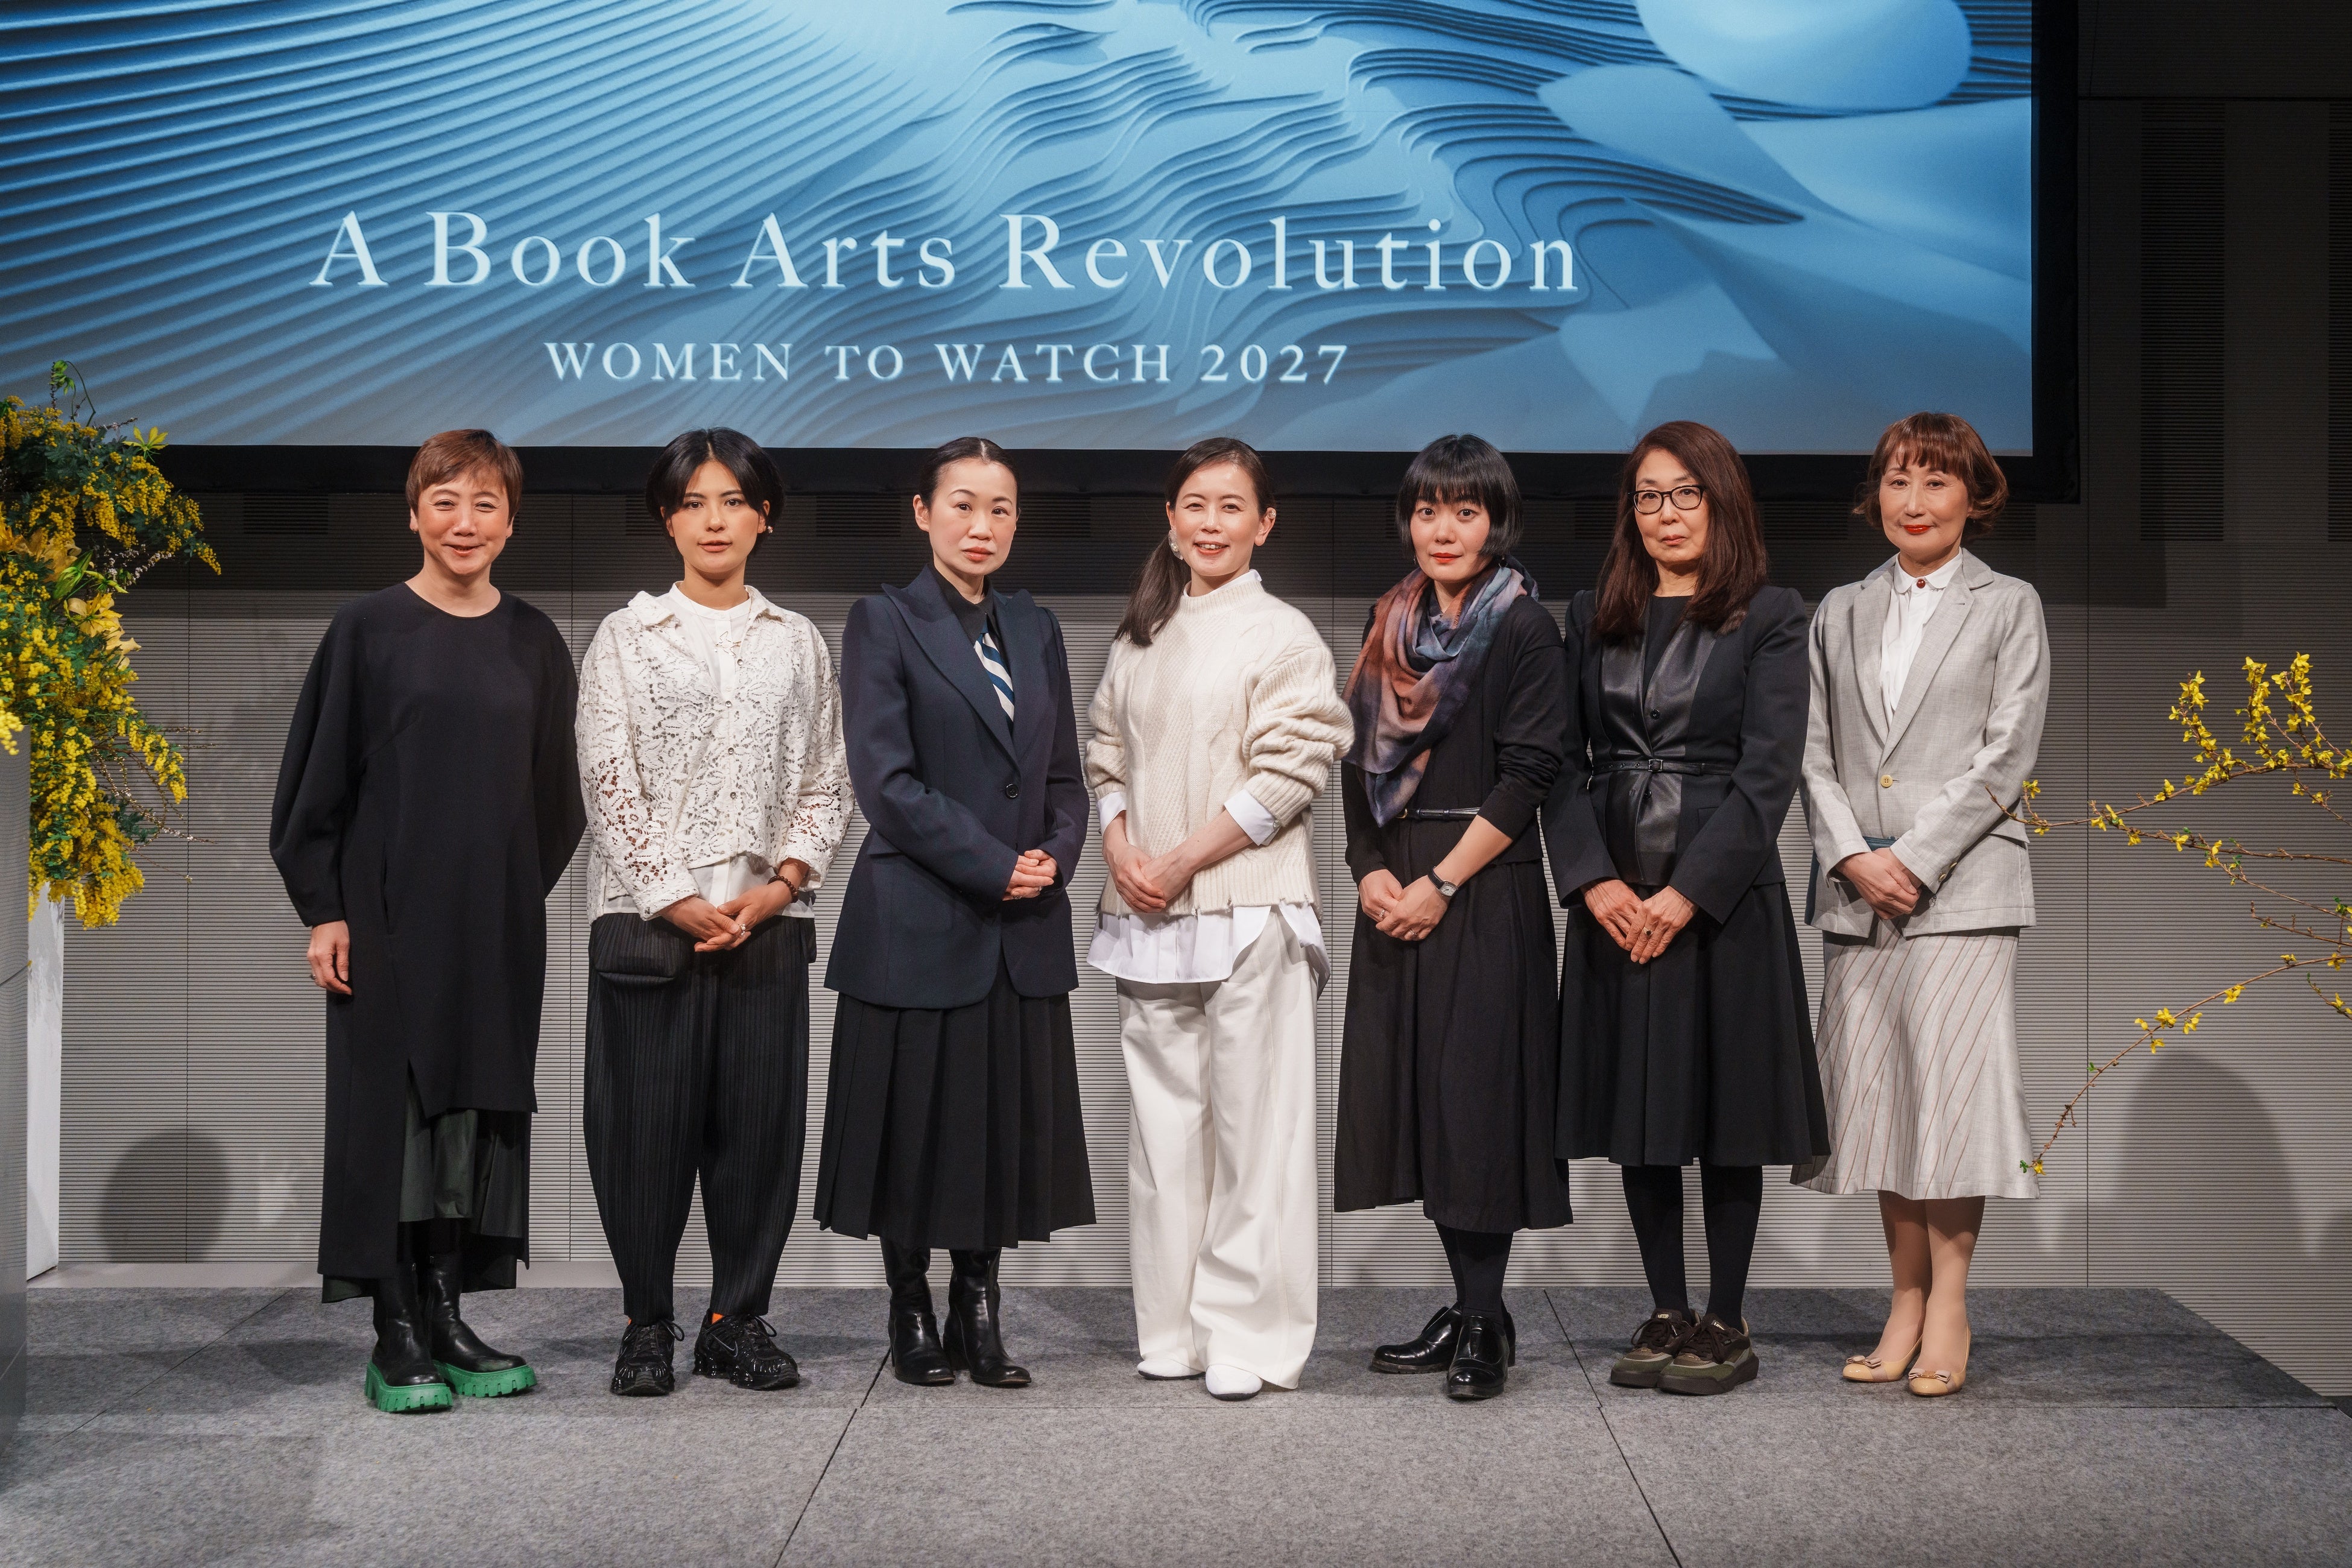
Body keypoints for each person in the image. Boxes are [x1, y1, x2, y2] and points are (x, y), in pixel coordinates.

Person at [271, 429, 584, 1414]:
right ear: (414, 515)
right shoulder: (367, 629)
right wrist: (325, 909)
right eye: (445, 501)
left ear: (511, 522)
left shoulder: (535, 640)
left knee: (472, 1120)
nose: (465, 522)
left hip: (493, 927)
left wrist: (505, 891)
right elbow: (314, 783)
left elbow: (559, 800)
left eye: (485, 504)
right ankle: (395, 1327)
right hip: (385, 920)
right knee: (395, 1123)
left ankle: (449, 1313)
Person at [1543, 420, 1828, 1397]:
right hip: (1614, 895)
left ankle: (1729, 1318)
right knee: (1640, 1106)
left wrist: (1686, 894)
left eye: (1684, 494)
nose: (1665, 514)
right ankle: (1666, 1307)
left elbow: (1768, 774)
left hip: (1723, 900)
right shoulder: (1592, 613)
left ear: (1721, 501)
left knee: (1726, 1110)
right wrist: (1595, 881)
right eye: (1648, 497)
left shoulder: (1772, 615)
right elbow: (1559, 765)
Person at [816, 436, 1095, 1389]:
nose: (982, 525)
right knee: (911, 1124)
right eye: (964, 505)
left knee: (998, 1125)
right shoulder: (884, 620)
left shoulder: (1036, 626)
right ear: (923, 513)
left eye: (1001, 508)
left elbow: (1064, 775)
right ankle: (910, 1306)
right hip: (919, 915)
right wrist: (993, 865)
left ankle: (980, 1303)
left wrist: (1055, 856)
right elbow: (885, 783)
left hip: (1021, 925)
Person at [575, 428, 849, 1397]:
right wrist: (678, 899)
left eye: (733, 501)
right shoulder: (626, 635)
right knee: (641, 1138)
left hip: (766, 930)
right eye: (693, 503)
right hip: (647, 928)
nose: (714, 520)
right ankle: (646, 1322)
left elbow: (828, 781)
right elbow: (607, 779)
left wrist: (779, 889)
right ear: (668, 519)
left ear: (764, 516)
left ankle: (737, 1321)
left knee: (760, 1141)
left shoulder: (797, 640)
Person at [1087, 437, 1351, 1402]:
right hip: (1148, 913)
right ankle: (1171, 1328)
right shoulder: (1138, 638)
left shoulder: (1284, 634)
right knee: (1164, 1139)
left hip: (1250, 908)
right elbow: (1105, 754)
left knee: (1256, 1134)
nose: (1211, 523)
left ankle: (1250, 1335)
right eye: (1195, 505)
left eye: (1231, 507)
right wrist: (1121, 848)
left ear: (1264, 525)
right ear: (1171, 518)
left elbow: (1293, 770)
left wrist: (1180, 861)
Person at [1798, 412, 2049, 1397]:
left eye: (1937, 482)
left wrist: (1915, 858)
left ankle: (1949, 1304)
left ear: (1975, 497)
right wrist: (1854, 857)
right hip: (1862, 894)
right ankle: (1902, 1301)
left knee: (1950, 1101)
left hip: (1963, 889)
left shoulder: (2008, 604)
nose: (1915, 501)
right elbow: (1812, 753)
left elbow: (2008, 753)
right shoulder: (1841, 608)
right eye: (1899, 481)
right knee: (1884, 1101)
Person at [1335, 434, 1571, 1401]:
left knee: (1479, 1109)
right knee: (1423, 1108)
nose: (1444, 529)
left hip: (1483, 888)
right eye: (1429, 510)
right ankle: (1477, 1307)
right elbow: (1356, 759)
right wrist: (1367, 870)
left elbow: (1531, 775)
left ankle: (1483, 1320)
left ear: (1495, 522)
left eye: (1465, 511)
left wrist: (1440, 883)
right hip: (1396, 889)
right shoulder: (1388, 619)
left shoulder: (1526, 626)